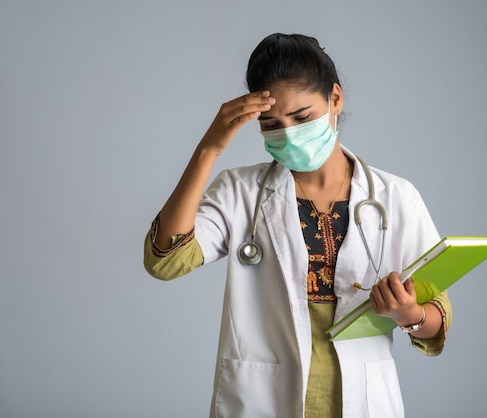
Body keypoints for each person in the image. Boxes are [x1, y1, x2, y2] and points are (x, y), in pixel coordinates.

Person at [144, 33, 452, 418]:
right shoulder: (241, 191)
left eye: (302, 117)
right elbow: (166, 261)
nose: (287, 133)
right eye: (270, 123)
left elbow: (436, 318)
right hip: (262, 400)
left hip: (362, 402)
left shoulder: (395, 197)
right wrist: (209, 149)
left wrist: (410, 315)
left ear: (335, 99)